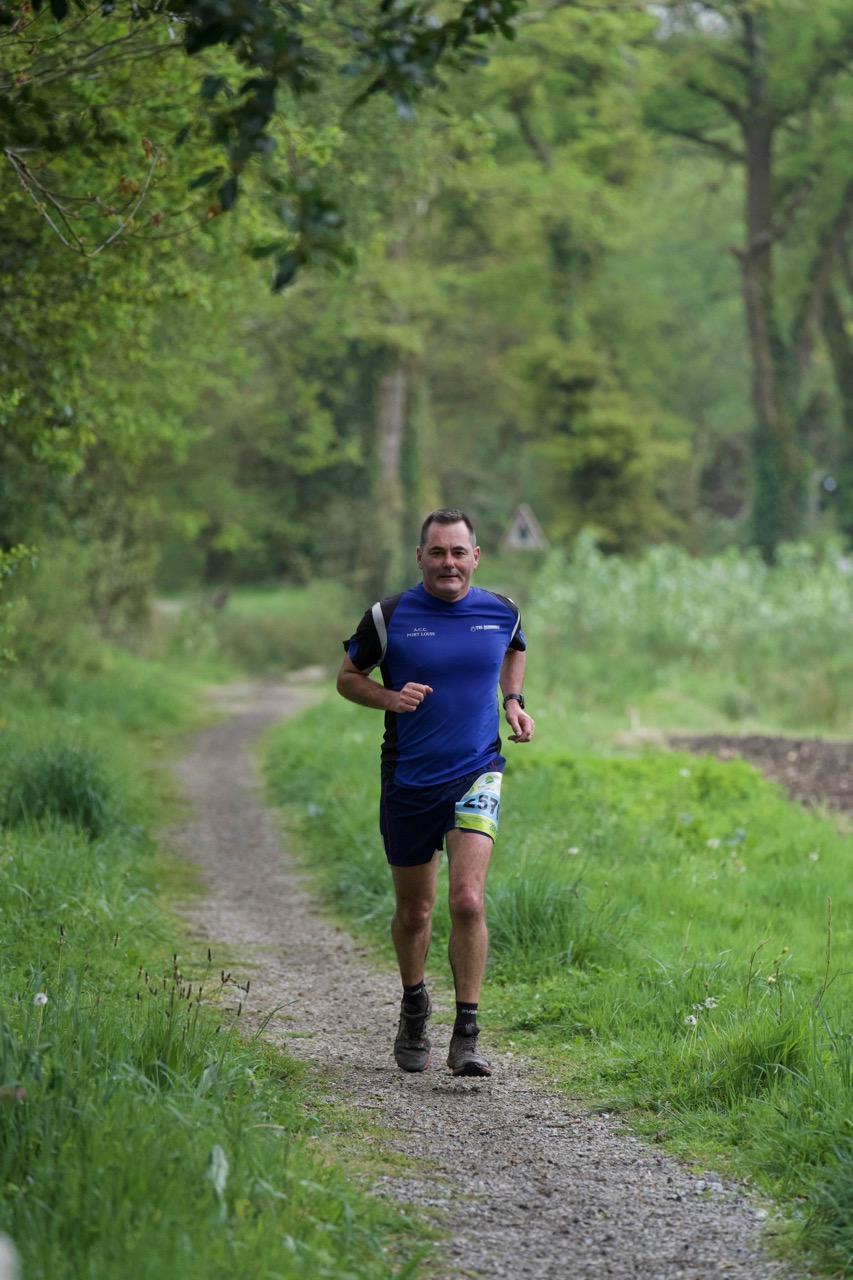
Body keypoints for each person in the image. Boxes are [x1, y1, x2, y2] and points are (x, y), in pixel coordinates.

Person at [336, 509, 535, 1077]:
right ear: (420, 557)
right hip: (409, 778)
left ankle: (467, 1033)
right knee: (414, 911)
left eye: (459, 552)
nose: (449, 563)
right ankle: (414, 1005)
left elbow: (515, 647)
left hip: (477, 770)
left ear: (476, 557)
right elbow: (347, 678)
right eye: (439, 552)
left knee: (467, 900)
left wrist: (513, 702)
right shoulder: (388, 616)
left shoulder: (501, 611)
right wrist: (390, 698)